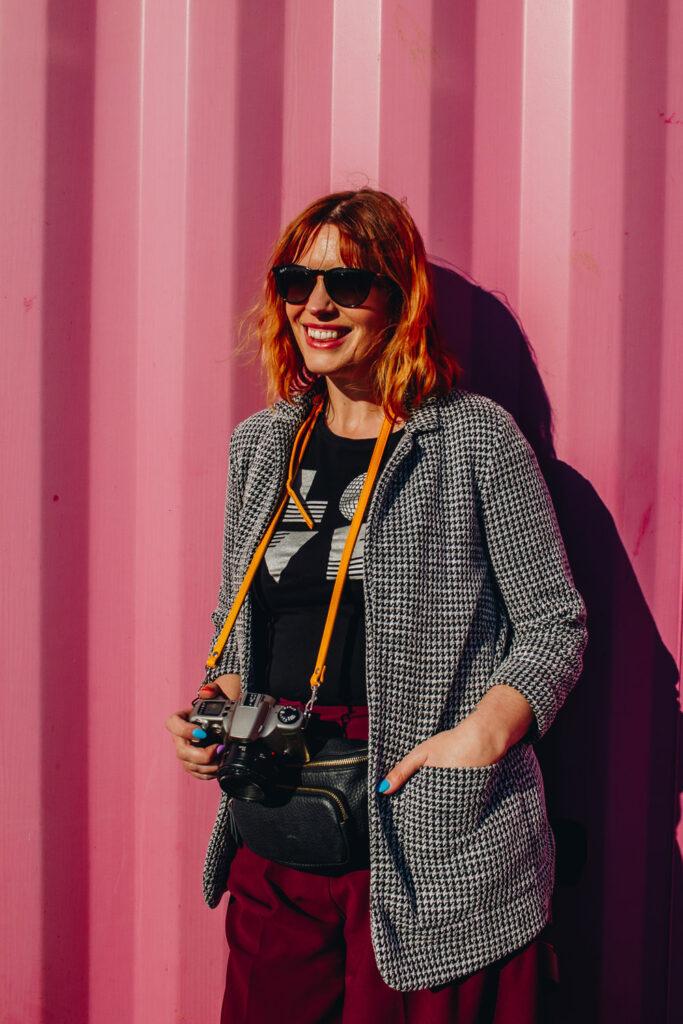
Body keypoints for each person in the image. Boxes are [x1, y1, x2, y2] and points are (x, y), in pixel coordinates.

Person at [166, 189, 587, 1023]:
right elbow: (238, 624)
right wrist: (215, 710)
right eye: (297, 282)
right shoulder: (262, 445)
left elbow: (553, 623)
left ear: (399, 300)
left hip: (427, 838)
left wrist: (479, 740)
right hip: (280, 824)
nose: (317, 306)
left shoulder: (472, 438)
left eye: (348, 283)